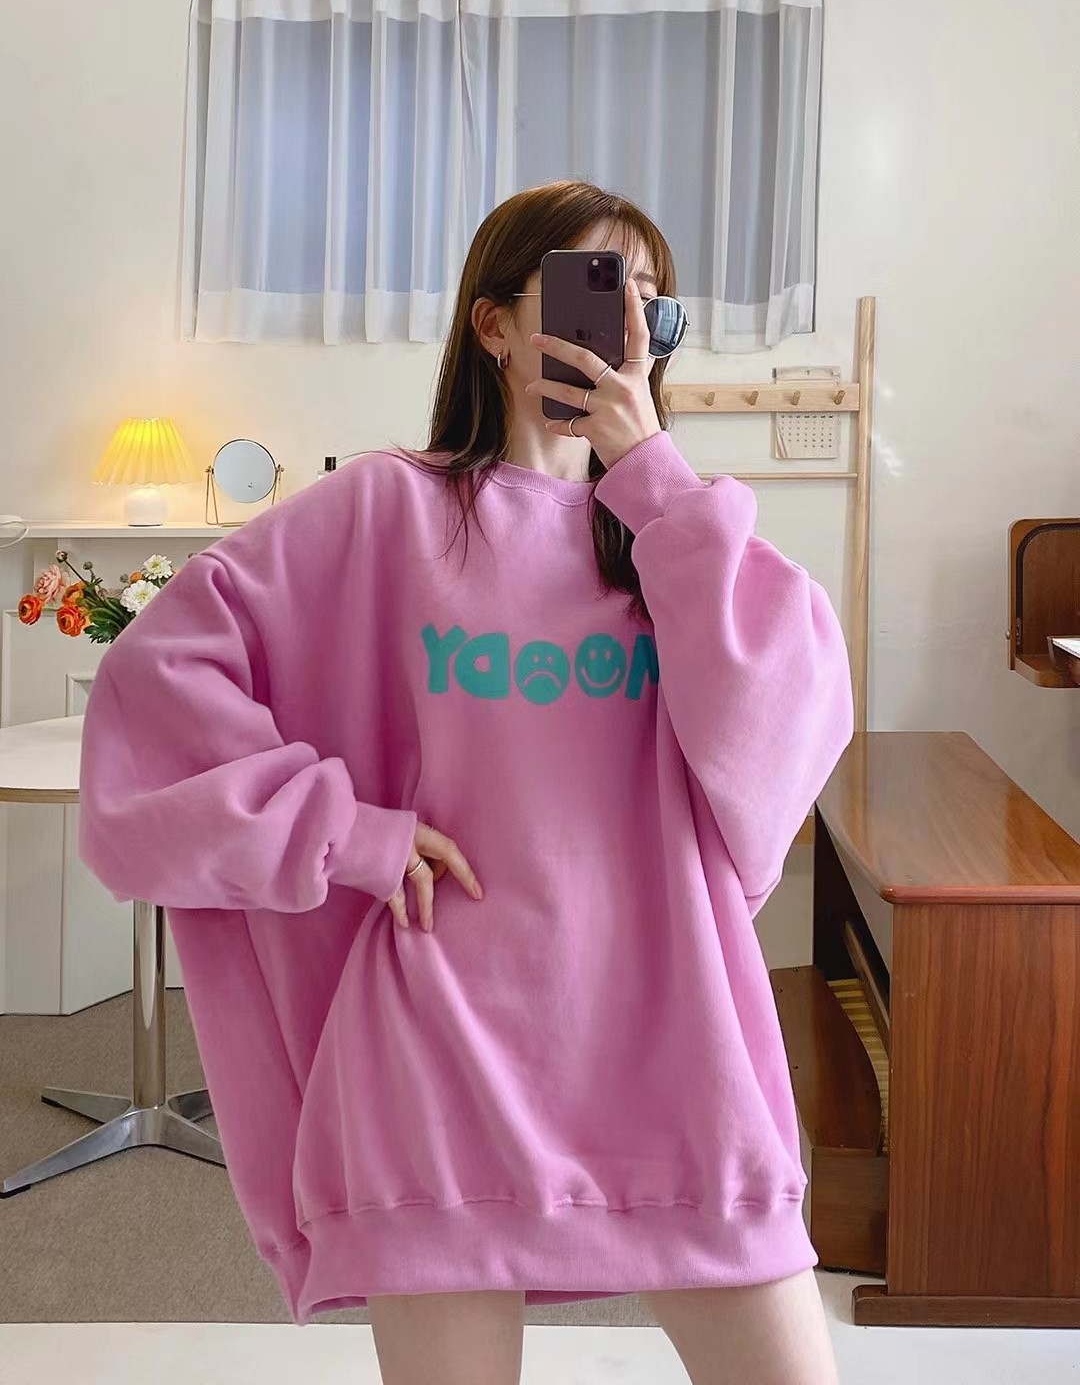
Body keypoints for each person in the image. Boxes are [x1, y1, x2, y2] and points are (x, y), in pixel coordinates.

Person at [77, 179, 853, 1385]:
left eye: (655, 306)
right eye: (599, 290)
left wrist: (647, 472)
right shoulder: (389, 510)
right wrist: (346, 832)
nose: (630, 330)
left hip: (672, 1041)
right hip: (440, 1047)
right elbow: (153, 682)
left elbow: (789, 719)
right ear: (494, 322)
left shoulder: (679, 539)